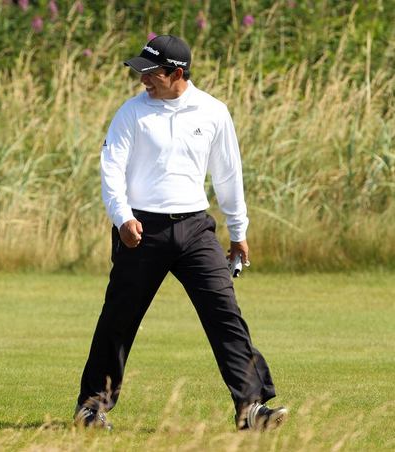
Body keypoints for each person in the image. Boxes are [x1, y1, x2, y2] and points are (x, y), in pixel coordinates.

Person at [74, 35, 287, 431]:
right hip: (140, 229)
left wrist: (238, 232)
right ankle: (91, 409)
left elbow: (228, 176)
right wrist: (122, 219)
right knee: (119, 320)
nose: (142, 81)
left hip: (195, 229)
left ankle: (252, 409)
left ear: (177, 74)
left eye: (151, 73)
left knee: (226, 316)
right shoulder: (131, 113)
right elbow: (111, 170)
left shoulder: (213, 112)